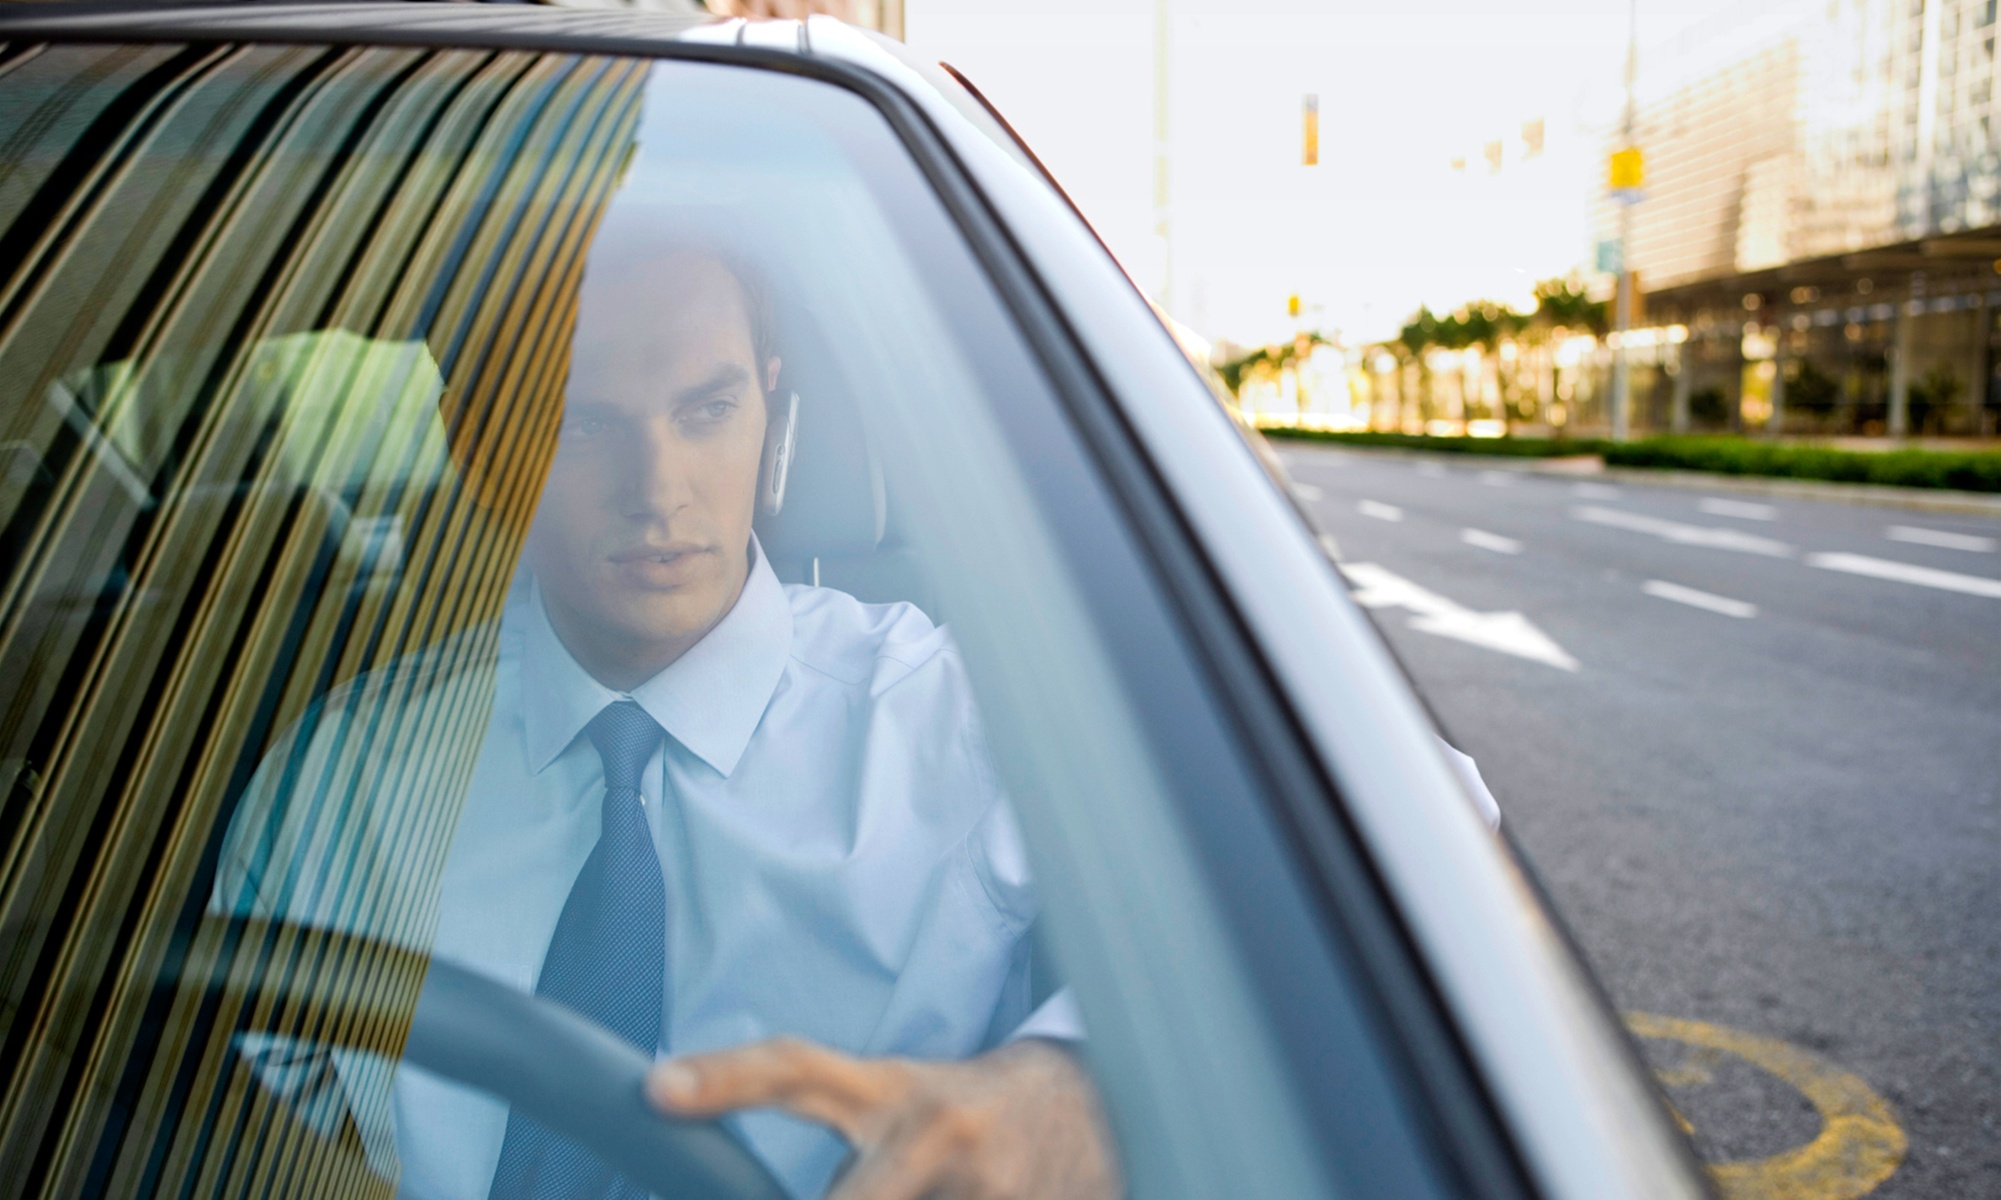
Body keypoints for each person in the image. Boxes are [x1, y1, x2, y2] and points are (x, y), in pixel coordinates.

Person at [215, 230, 1118, 1200]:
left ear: (772, 406)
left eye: (709, 410)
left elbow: (1257, 968)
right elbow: (272, 1132)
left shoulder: (972, 731)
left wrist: (1074, 1089)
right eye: (582, 425)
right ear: (474, 445)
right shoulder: (335, 788)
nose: (657, 493)